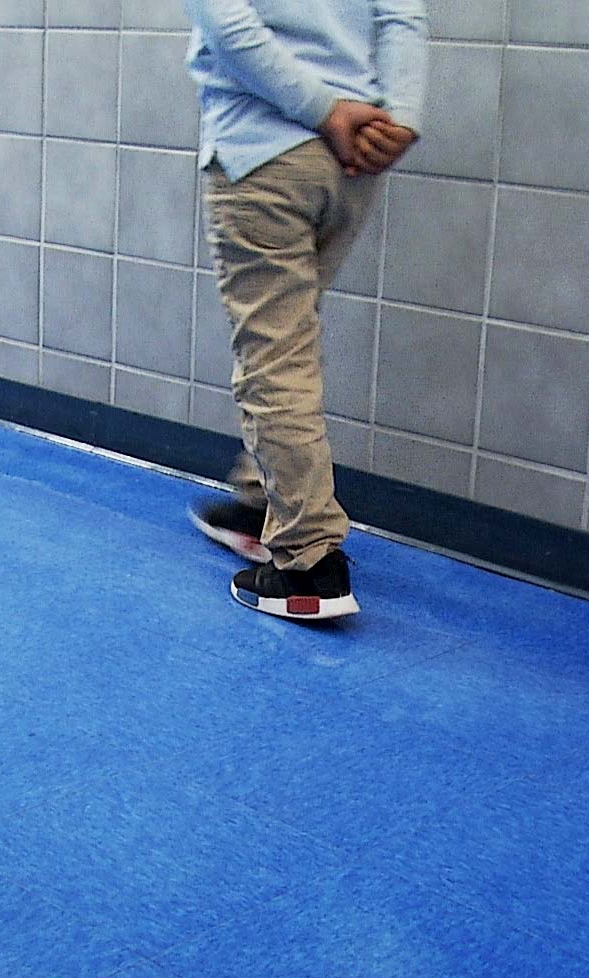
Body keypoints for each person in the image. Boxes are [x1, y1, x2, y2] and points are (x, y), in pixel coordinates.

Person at [183, 0, 427, 620]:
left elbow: (226, 21)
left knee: (274, 358)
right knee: (289, 341)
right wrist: (396, 121)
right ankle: (260, 500)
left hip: (267, 151)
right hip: (352, 164)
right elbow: (402, 15)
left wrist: (325, 111)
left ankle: (307, 565)